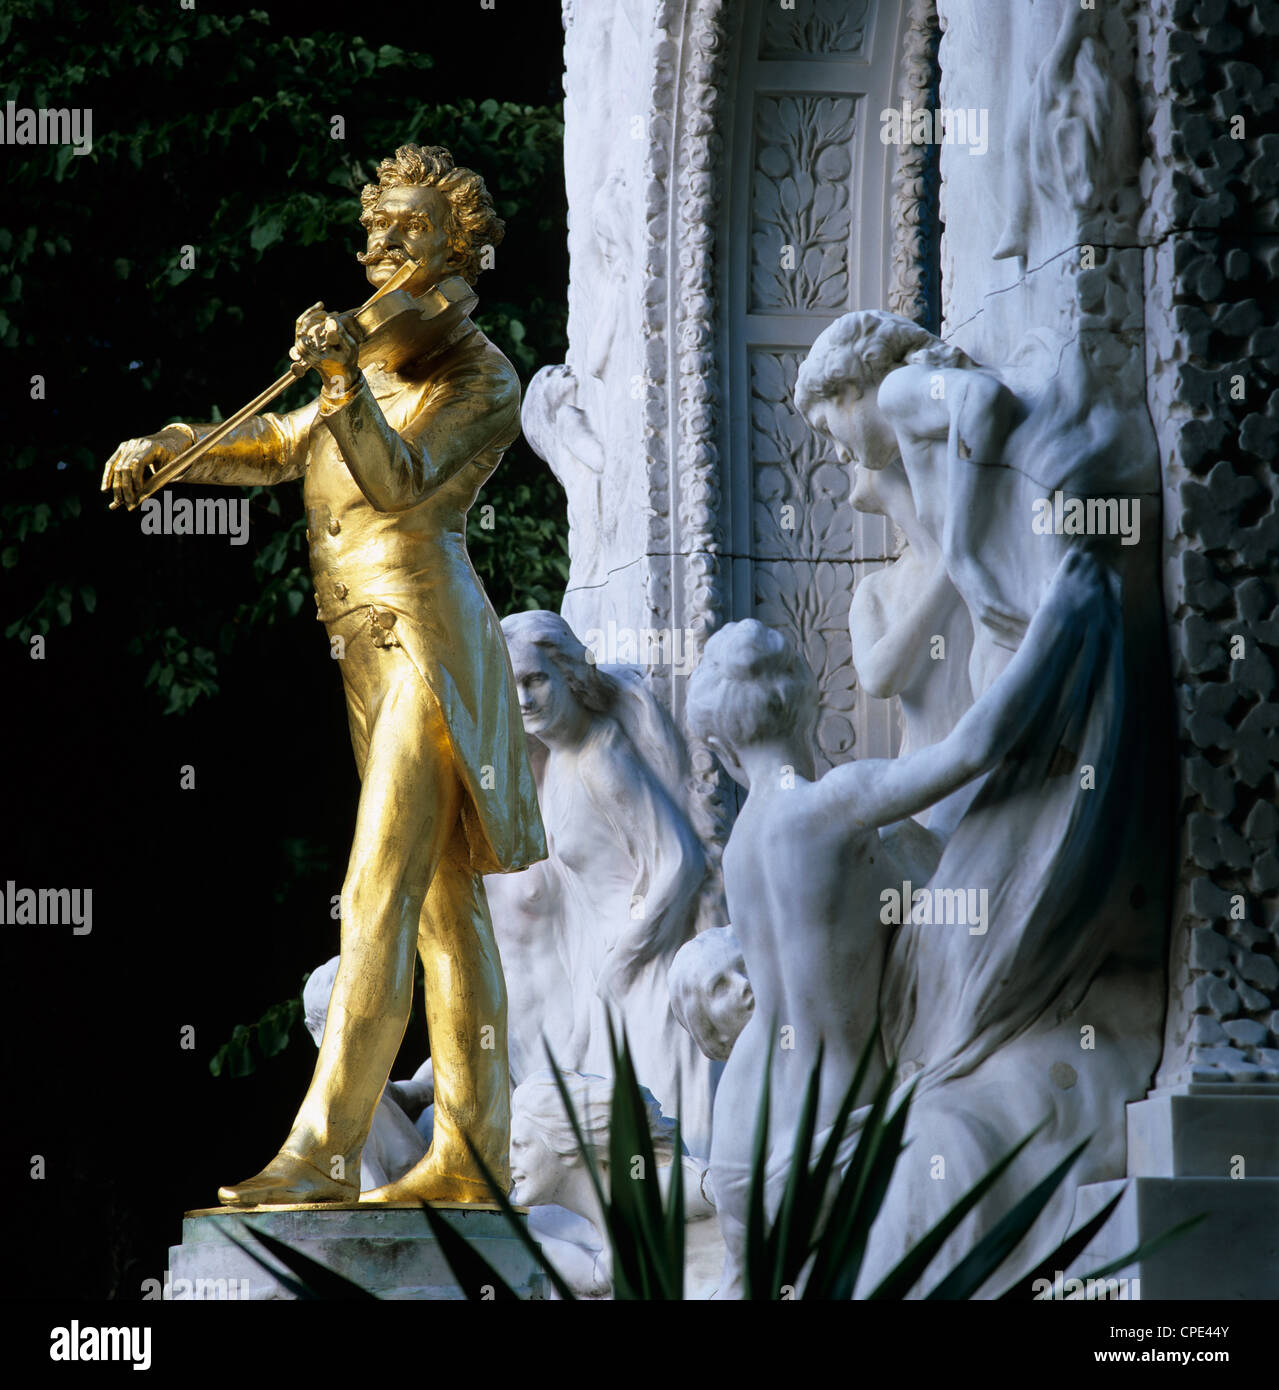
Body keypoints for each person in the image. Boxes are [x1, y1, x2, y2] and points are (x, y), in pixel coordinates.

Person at [100, 144, 547, 1206]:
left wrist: (345, 378)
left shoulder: (478, 372)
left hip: (427, 644)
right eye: (377, 230)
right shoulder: (378, 360)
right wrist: (175, 446)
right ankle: (472, 1160)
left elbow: (397, 485)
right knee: (443, 910)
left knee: (377, 894)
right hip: (360, 647)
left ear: (460, 248)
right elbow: (279, 444)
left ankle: (325, 1149)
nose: (382, 249)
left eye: (410, 232)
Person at [685, 549, 1113, 1296]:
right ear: (811, 703)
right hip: (829, 1127)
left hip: (746, 1135)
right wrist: (1061, 615)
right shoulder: (832, 805)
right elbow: (974, 747)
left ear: (719, 749)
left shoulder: (745, 843)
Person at [493, 610, 716, 1157]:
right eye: (512, 685)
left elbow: (681, 862)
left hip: (646, 967)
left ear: (568, 674)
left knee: (667, 1140)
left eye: (536, 679)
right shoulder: (558, 764)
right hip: (611, 971)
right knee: (629, 1147)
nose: (523, 698)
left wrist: (626, 958)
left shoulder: (601, 758)